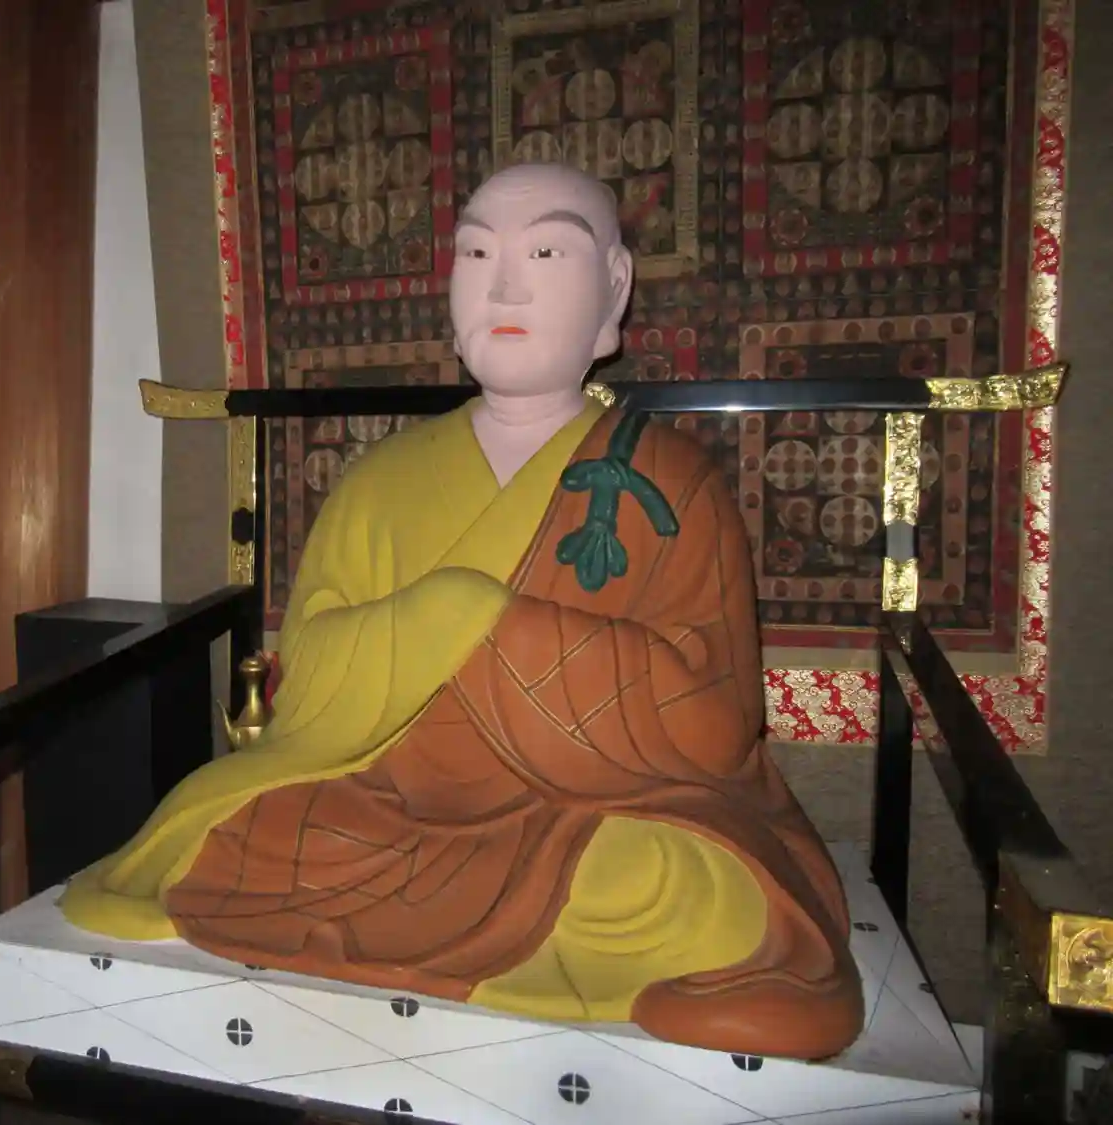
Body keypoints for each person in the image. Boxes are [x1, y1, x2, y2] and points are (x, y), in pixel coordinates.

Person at [60, 162, 863, 1060]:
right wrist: (443, 616)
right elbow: (309, 678)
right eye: (476, 254)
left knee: (663, 881)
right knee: (211, 829)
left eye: (546, 253)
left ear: (615, 289)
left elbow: (713, 726)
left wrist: (493, 626)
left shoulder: (674, 479)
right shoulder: (381, 480)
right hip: (381, 803)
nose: (503, 285)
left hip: (579, 811)